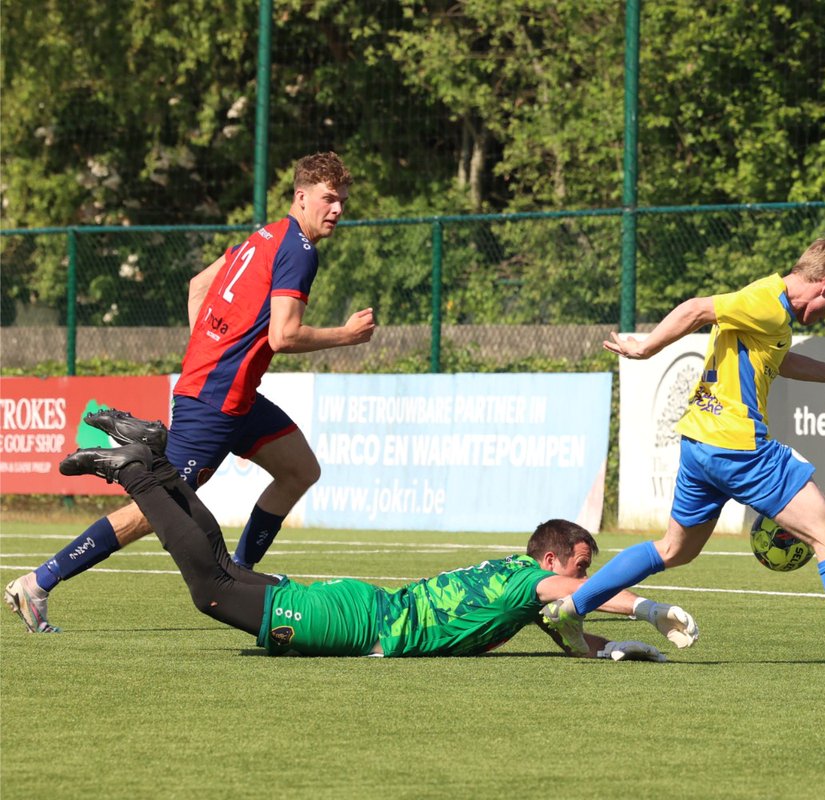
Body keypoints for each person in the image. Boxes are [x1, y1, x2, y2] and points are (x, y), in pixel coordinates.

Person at [5, 152, 375, 634]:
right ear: (300, 197)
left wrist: (207, 350)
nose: (337, 209)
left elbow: (197, 286)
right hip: (215, 401)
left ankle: (240, 572)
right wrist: (345, 336)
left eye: (342, 201)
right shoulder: (300, 250)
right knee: (153, 511)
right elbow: (284, 336)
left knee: (300, 469)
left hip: (232, 395)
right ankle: (38, 582)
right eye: (328, 198)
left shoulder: (261, 237)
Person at [540, 236, 825, 674]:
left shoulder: (770, 308)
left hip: (700, 442)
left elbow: (780, 359)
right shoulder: (766, 301)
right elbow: (696, 308)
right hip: (738, 445)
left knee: (674, 549)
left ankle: (571, 608)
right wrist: (647, 347)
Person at [53, 414, 699, 660]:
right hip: (364, 625)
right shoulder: (536, 581)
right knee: (211, 589)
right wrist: (647, 606)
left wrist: (621, 650)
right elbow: (579, 600)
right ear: (554, 559)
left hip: (362, 608)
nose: (585, 579)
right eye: (582, 567)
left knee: (219, 568)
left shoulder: (528, 591)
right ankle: (140, 470)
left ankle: (153, 461)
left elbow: (574, 634)